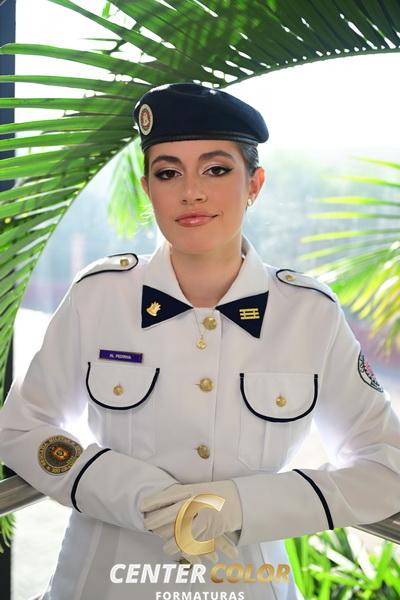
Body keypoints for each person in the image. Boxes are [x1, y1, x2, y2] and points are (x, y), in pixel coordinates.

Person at [0, 82, 399, 600]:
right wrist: (141, 496)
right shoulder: (98, 297)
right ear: (148, 188)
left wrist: (241, 506)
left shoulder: (309, 314)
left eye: (216, 170)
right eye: (169, 173)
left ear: (254, 183)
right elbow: (23, 427)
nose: (191, 192)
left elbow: (386, 464)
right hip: (102, 583)